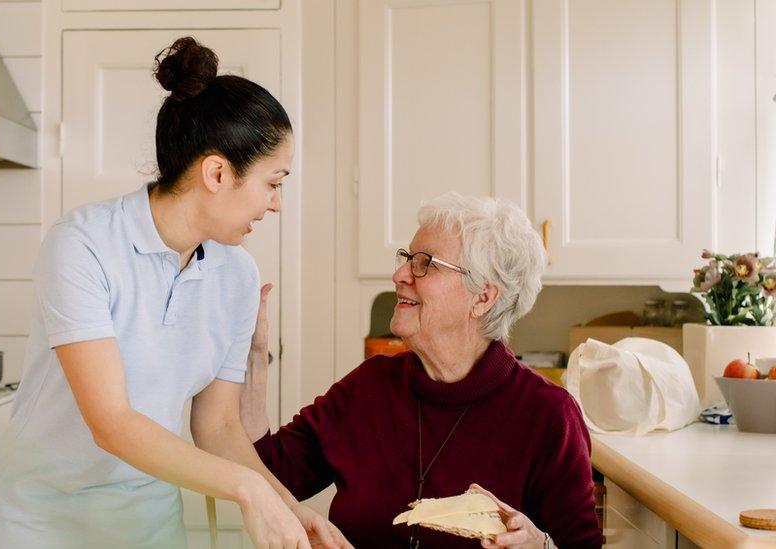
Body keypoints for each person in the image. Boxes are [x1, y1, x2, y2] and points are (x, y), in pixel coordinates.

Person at [0, 37, 350, 549]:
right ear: (217, 173)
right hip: (38, 526)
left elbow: (217, 427)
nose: (276, 203)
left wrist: (290, 508)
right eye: (273, 182)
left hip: (146, 528)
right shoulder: (83, 244)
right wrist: (246, 491)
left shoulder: (235, 274)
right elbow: (113, 423)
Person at [240, 193, 603, 548]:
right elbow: (270, 472)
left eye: (424, 263)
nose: (400, 274)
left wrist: (539, 545)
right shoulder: (369, 387)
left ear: (483, 297)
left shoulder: (549, 416)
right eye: (406, 258)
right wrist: (255, 356)